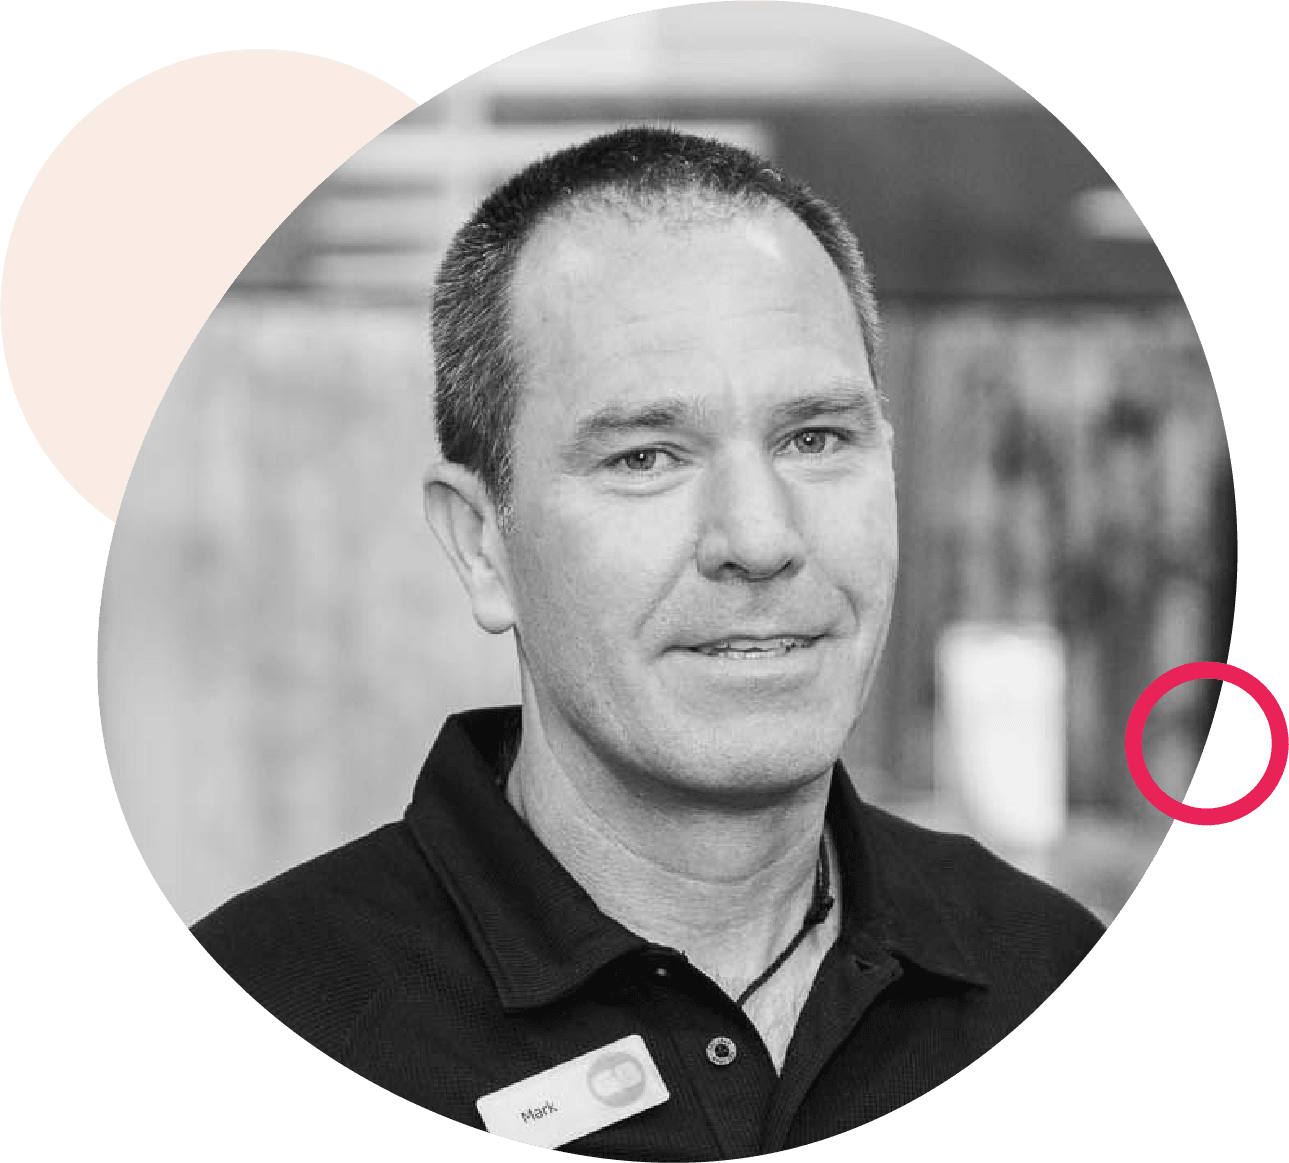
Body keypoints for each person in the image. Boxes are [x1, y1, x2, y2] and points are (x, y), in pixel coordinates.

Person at [193, 127, 1104, 1158]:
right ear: (482, 543)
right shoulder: (255, 1022)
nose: (759, 538)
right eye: (645, 455)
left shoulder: (1051, 975)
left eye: (815, 438)